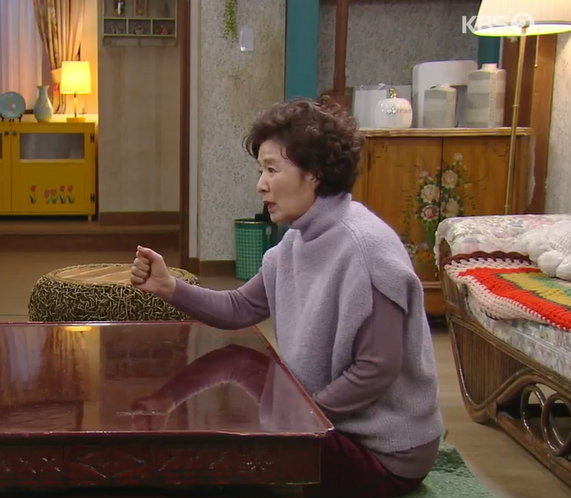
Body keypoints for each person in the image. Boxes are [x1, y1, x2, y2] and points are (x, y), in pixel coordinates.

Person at [130, 97, 444, 498]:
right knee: (241, 363)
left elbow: (376, 369)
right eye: (260, 170)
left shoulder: (367, 249)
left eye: (272, 169)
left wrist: (298, 418)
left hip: (383, 453)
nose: (261, 184)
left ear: (315, 173)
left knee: (227, 459)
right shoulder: (295, 243)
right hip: (330, 424)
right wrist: (169, 287)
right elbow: (240, 307)